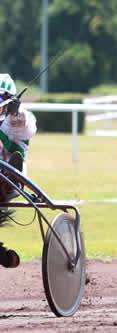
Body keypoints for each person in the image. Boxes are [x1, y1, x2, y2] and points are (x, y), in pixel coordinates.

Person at [0, 74, 36, 269]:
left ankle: (13, 167)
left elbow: (28, 127)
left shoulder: (16, 119)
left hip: (11, 179)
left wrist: (16, 113)